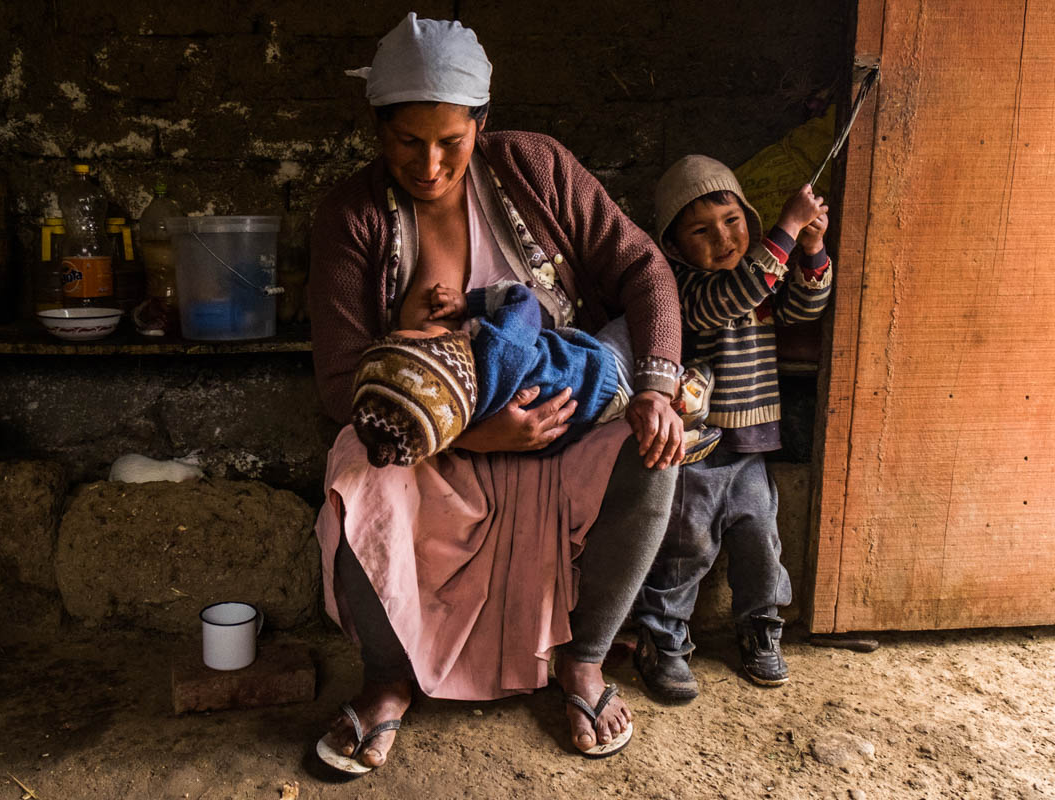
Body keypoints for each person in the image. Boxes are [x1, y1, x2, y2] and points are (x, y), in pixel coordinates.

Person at [308, 13, 685, 772]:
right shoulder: (352, 216)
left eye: (452, 140)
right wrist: (474, 435)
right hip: (434, 446)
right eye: (407, 141)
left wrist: (656, 385)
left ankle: (583, 660)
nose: (431, 164)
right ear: (377, 128)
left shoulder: (536, 169)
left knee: (654, 453)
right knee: (355, 467)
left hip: (562, 429)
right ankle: (387, 679)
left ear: (483, 121)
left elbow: (644, 268)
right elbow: (341, 378)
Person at [631, 154, 833, 702]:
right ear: (673, 246)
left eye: (733, 221)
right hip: (696, 453)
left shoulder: (762, 278)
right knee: (684, 547)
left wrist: (809, 247)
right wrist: (784, 232)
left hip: (751, 449)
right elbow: (734, 295)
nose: (723, 238)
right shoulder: (683, 289)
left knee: (761, 542)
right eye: (701, 231)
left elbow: (805, 307)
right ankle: (663, 641)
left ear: (749, 216)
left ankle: (760, 629)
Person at [350, 280, 720, 467]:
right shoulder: (498, 348)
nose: (439, 326)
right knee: (634, 327)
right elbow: (521, 300)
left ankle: (672, 432)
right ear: (437, 353)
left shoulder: (468, 417)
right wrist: (470, 302)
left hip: (577, 426)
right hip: (601, 369)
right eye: (417, 334)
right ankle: (682, 390)